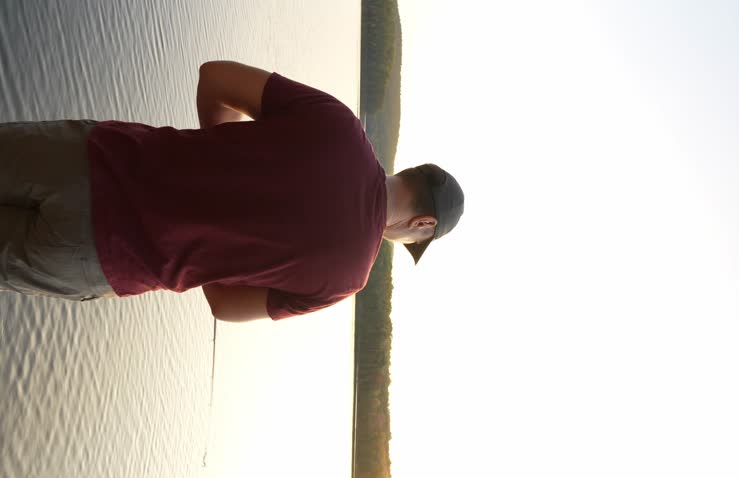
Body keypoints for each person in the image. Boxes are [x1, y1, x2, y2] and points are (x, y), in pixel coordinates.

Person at [0, 60, 464, 321]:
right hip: (102, 258)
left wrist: (223, 151)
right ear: (422, 224)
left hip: (94, 159)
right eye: (414, 243)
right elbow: (224, 306)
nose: (403, 243)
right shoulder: (345, 279)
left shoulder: (339, 124)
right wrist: (222, 239)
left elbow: (216, 76)